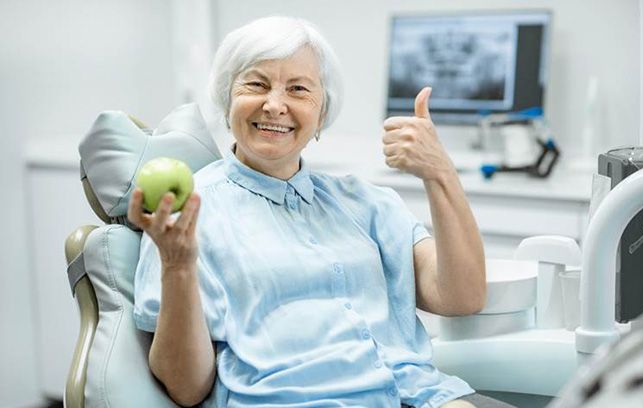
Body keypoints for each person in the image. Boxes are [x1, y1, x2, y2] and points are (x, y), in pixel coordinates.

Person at [128, 16, 512, 408]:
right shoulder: (187, 217)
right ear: (228, 99)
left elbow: (461, 296)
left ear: (321, 113)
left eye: (298, 89)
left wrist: (440, 173)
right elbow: (186, 388)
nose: (275, 105)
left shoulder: (366, 203)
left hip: (421, 396)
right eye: (256, 84)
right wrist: (177, 266)